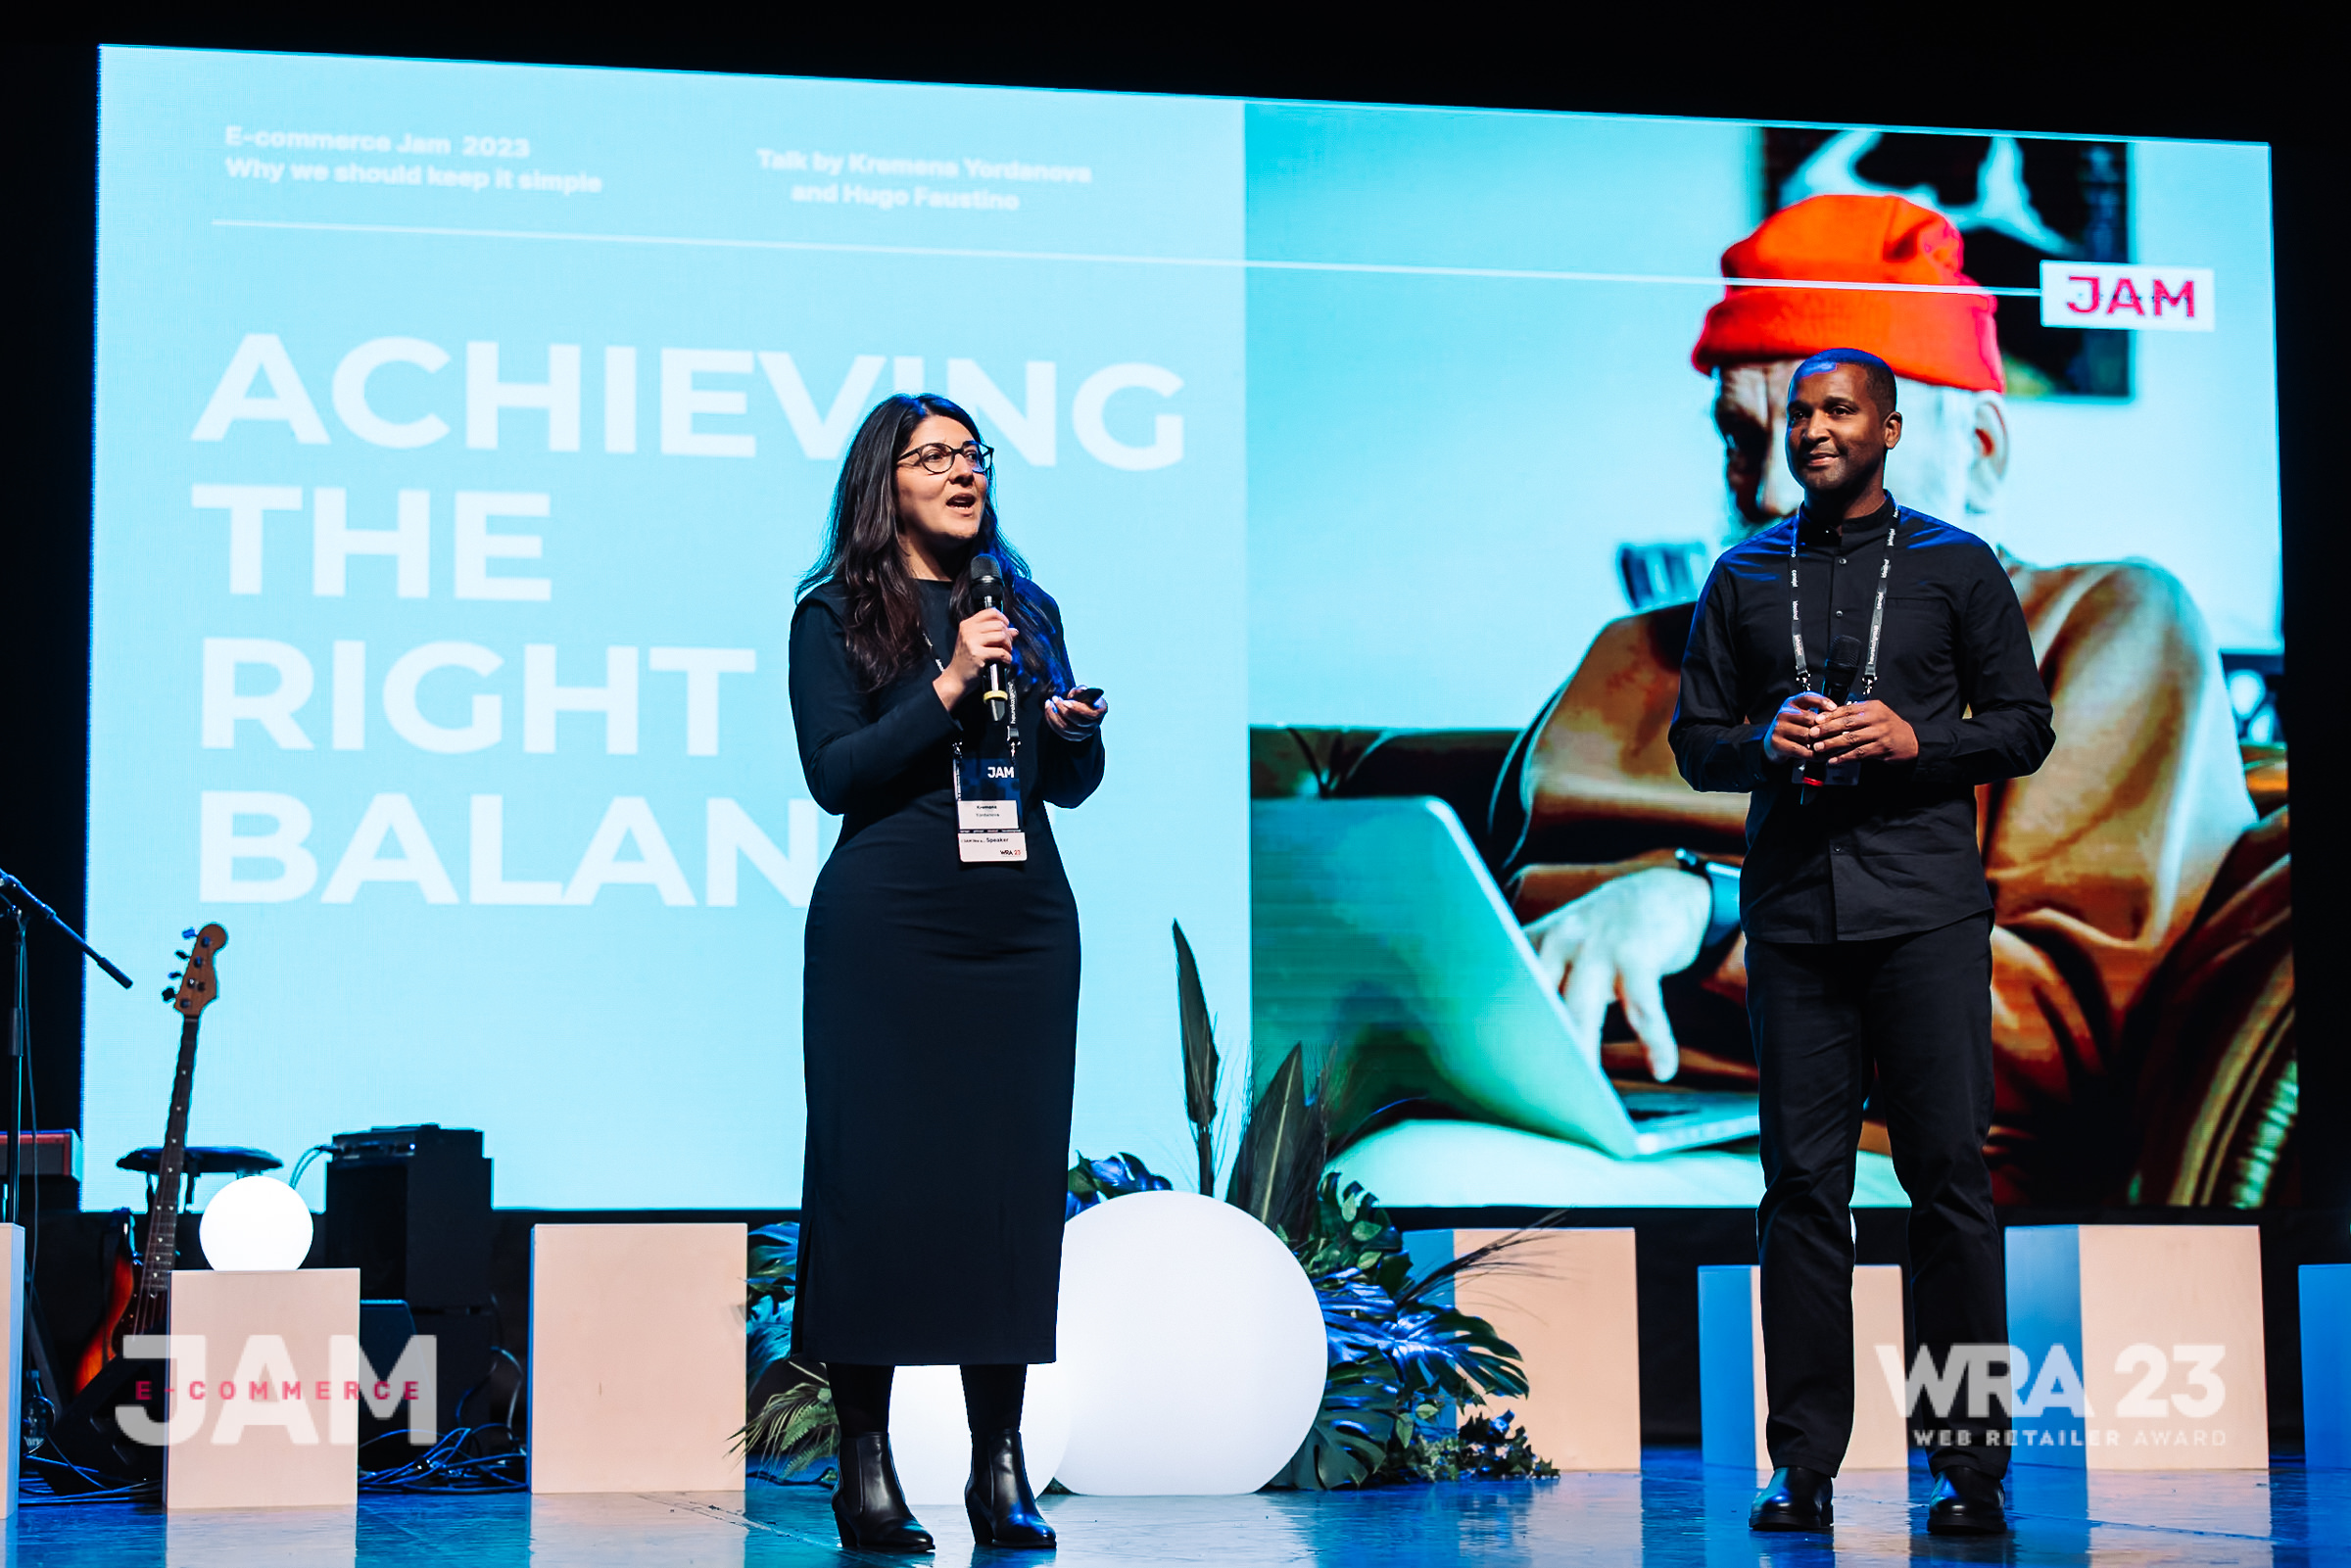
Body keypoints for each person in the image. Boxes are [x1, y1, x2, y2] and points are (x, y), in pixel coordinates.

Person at [1509, 195, 2276, 1208]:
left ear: (1982, 450)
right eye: (1743, 435)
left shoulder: (2107, 625)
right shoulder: (1630, 654)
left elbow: (2057, 1035)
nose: (1771, 491)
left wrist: (1716, 911)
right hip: (1560, 1111)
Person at [1670, 346, 2051, 1534]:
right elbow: (1694, 742)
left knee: (1949, 1187)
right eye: (1801, 413)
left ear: (1889, 429)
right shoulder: (1742, 573)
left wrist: (1917, 742)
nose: (1813, 429)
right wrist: (1762, 744)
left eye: (1839, 410)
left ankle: (1970, 1466)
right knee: (1801, 1192)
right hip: (1794, 920)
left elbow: (2026, 727)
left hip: (1926, 914)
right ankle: (1804, 1462)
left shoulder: (1958, 564)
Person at [789, 393, 1107, 1552]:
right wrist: (949, 683)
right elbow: (837, 772)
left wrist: (1071, 732)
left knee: (1005, 1192)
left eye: (973, 454)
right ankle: (865, 1465)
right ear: (885, 482)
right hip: (890, 928)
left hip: (1020, 926)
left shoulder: (1025, 605)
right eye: (935, 457)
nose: (964, 472)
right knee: (873, 1186)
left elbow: (1067, 783)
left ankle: (998, 1467)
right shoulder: (834, 612)